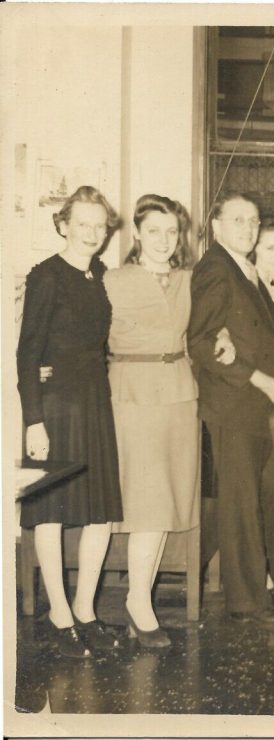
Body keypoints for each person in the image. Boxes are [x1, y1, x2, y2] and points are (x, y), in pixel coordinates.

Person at [17, 185, 123, 657]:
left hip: (96, 401)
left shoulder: (99, 276)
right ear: (63, 225)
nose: (93, 233)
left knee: (99, 512)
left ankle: (85, 611)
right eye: (83, 223)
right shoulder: (47, 276)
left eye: (100, 225)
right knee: (52, 513)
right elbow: (27, 355)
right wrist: (33, 421)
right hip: (57, 406)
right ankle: (59, 617)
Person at [187, 192, 274, 623]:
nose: (249, 229)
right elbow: (200, 340)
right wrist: (254, 376)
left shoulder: (246, 270)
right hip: (235, 404)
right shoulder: (216, 268)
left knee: (269, 501)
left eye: (254, 221)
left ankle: (273, 596)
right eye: (238, 221)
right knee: (240, 506)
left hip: (259, 405)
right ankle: (246, 602)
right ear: (216, 226)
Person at [105, 194, 201, 648]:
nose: (164, 240)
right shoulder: (112, 280)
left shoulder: (189, 280)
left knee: (165, 503)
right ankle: (139, 606)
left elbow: (206, 328)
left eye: (171, 231)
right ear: (137, 233)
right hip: (133, 392)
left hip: (180, 393)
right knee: (146, 502)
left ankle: (139, 600)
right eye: (154, 230)